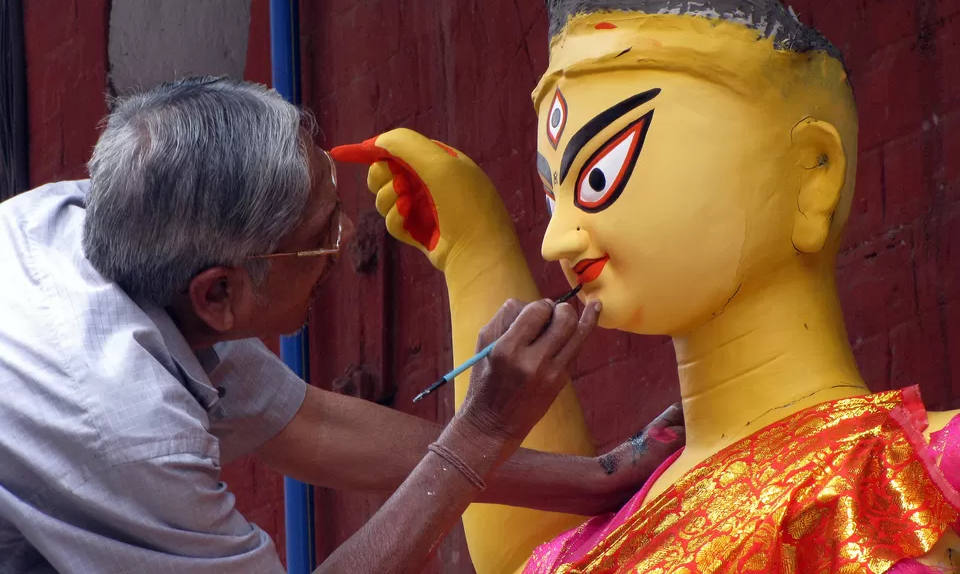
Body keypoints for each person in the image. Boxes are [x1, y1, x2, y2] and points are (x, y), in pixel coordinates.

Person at [335, 0, 960, 574]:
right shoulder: (628, 512)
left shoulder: (903, 472)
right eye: (553, 192)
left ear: (814, 172)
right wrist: (474, 249)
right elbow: (525, 559)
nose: (557, 240)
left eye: (601, 174)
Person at [0, 76, 683, 573]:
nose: (348, 234)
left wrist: (598, 477)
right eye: (319, 235)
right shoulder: (121, 423)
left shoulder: (110, 222)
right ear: (218, 294)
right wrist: (481, 433)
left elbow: (309, 425)